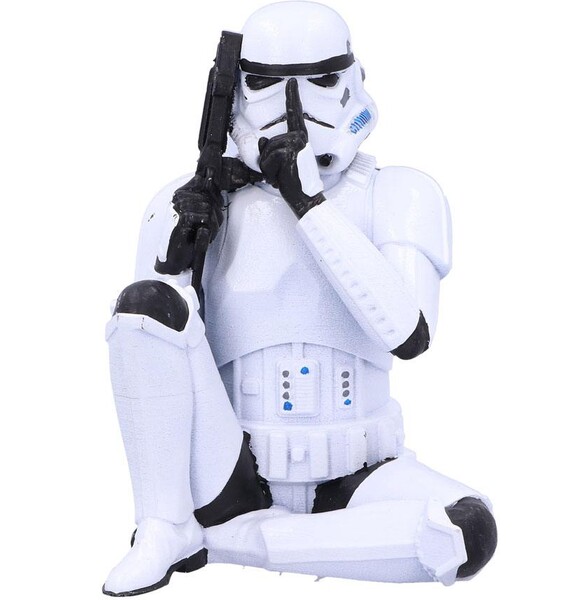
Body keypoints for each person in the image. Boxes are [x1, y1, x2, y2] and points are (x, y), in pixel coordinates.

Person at [103, 2, 497, 596]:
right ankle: (164, 526)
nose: (294, 104)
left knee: (464, 533)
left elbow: (408, 333)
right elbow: (152, 349)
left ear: (353, 80)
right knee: (144, 303)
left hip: (361, 472)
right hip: (231, 472)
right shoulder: (184, 201)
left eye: (321, 80)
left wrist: (309, 204)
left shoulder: (400, 194)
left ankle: (232, 544)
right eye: (266, 82)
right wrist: (179, 262)